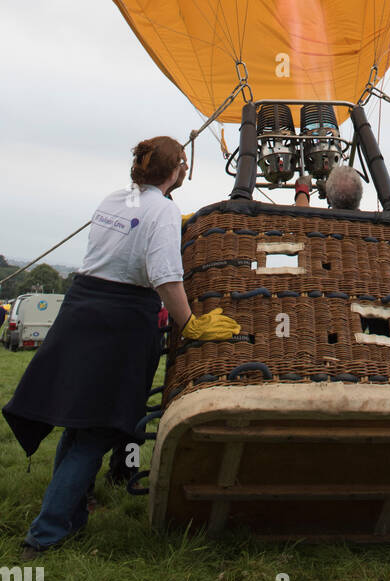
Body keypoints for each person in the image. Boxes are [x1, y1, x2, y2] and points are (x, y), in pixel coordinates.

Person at [2, 136, 240, 558]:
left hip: (80, 310)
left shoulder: (115, 199)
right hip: (121, 321)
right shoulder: (163, 211)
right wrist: (190, 323)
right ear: (177, 168)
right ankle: (44, 536)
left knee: (79, 425)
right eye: (183, 165)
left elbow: (125, 244)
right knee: (98, 431)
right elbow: (166, 276)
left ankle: (71, 520)